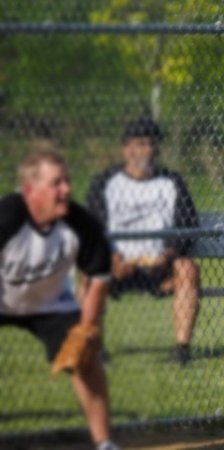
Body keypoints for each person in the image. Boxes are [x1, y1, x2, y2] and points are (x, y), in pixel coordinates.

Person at [0, 151, 119, 450]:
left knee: (87, 355)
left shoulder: (81, 224)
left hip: (51, 303)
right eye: (56, 183)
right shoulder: (8, 217)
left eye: (66, 181)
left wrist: (87, 329)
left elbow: (99, 277)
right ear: (30, 190)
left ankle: (104, 443)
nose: (66, 189)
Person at [86, 117, 201, 366]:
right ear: (126, 149)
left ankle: (181, 351)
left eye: (152, 144)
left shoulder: (171, 182)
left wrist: (168, 256)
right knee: (88, 275)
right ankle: (95, 349)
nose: (147, 150)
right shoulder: (105, 183)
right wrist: (110, 257)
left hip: (160, 268)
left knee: (188, 268)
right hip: (116, 267)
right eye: (140, 144)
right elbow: (91, 230)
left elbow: (188, 227)